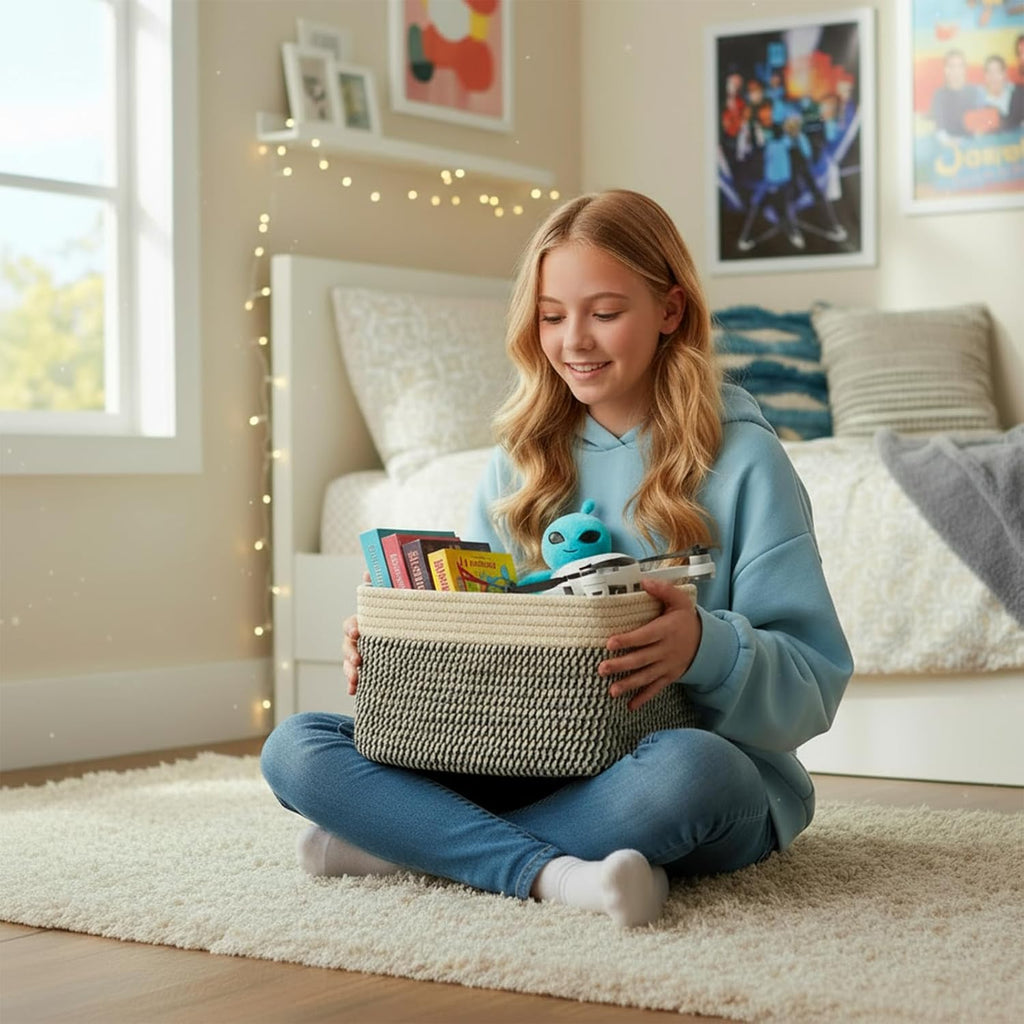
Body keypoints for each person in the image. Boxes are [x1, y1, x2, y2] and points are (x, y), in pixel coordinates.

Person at [260, 190, 853, 928]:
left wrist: (704, 646)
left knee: (700, 773)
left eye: (605, 312)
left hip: (678, 772)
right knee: (295, 747)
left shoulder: (745, 460)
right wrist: (405, 649)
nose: (575, 339)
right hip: (518, 765)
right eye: (551, 315)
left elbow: (815, 682)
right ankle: (554, 873)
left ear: (670, 310)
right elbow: (488, 630)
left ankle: (412, 847)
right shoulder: (518, 460)